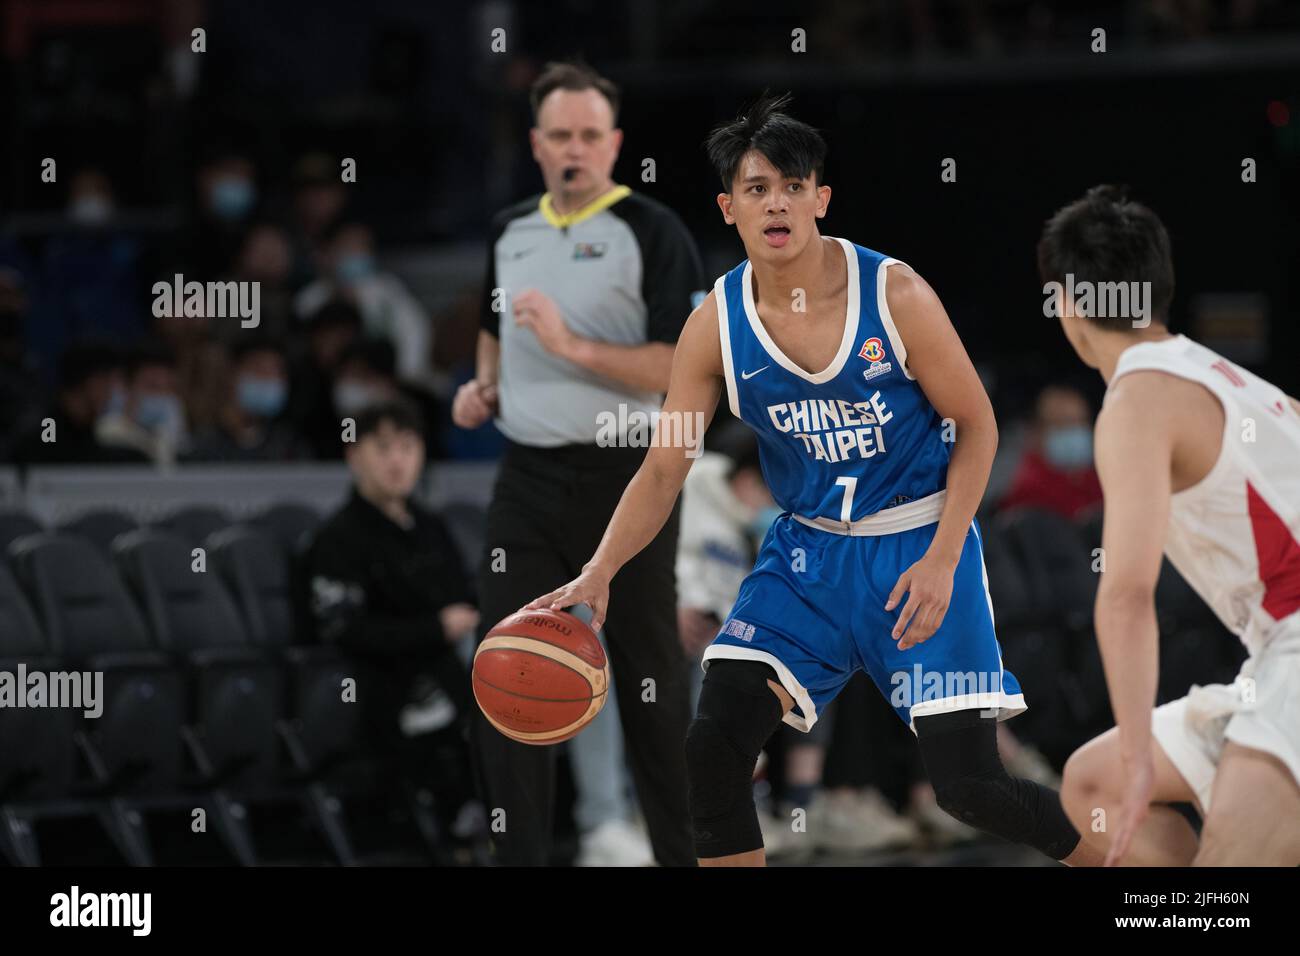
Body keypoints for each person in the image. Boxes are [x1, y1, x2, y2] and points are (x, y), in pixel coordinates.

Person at [526, 93, 1101, 867]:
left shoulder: (895, 294)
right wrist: (599, 572)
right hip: (807, 559)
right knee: (714, 747)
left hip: (918, 543)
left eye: (793, 186)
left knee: (971, 787)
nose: (777, 203)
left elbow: (980, 427)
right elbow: (667, 465)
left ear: (820, 198)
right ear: (728, 207)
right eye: (756, 189)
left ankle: (1135, 875)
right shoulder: (716, 323)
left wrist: (941, 557)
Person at [453, 60, 704, 867]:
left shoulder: (652, 230)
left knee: (650, 685)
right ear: (535, 143)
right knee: (509, 670)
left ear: (616, 143)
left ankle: (680, 855)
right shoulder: (510, 230)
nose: (576, 149)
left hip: (626, 478)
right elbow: (496, 320)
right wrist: (486, 384)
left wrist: (570, 347)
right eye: (560, 134)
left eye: (591, 135)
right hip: (526, 478)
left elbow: (676, 366)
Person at [1041, 186, 1300, 866]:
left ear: (1066, 306)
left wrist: (1138, 760)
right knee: (1088, 783)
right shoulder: (1237, 381)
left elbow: (1126, 595)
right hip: (1276, 655)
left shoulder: (1137, 399)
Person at [303, 400, 481, 845]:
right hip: (385, 685)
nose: (397, 460)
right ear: (353, 456)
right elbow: (342, 629)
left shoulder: (431, 525)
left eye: (407, 446)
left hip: (454, 669)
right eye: (382, 448)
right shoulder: (337, 539)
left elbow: (467, 598)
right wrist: (434, 630)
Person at [999, 384, 1102, 519]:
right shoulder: (1026, 492)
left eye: (1081, 422)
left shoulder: (1099, 483)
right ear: (1037, 432)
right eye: (1063, 424)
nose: (1075, 431)